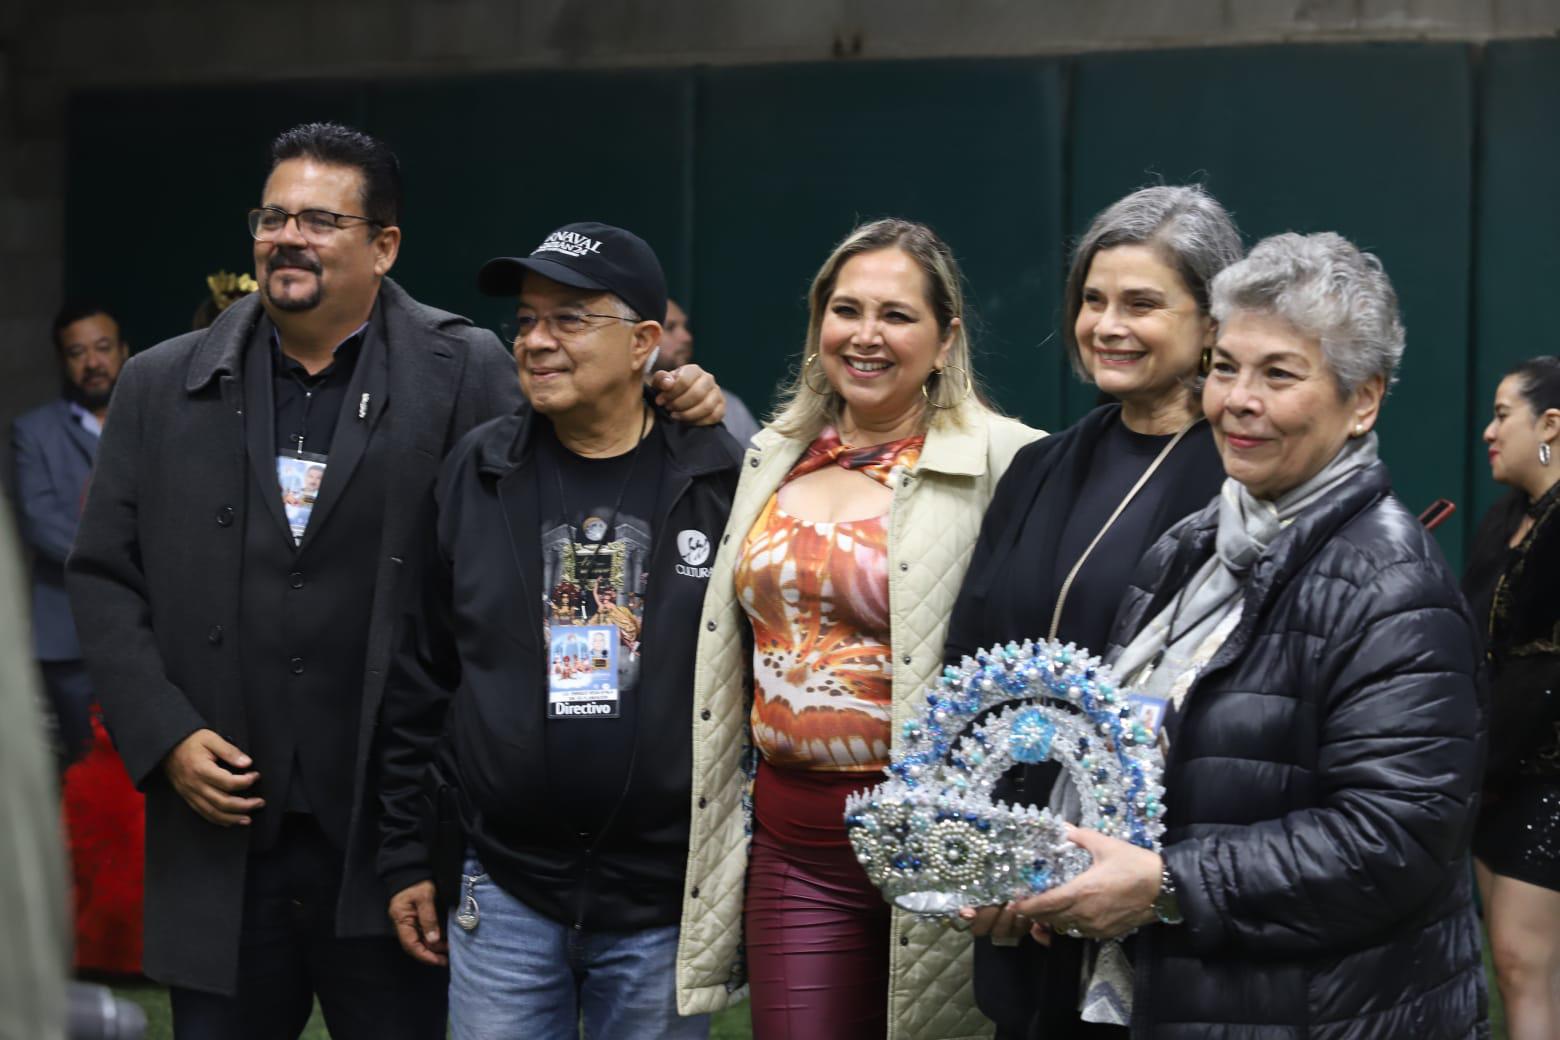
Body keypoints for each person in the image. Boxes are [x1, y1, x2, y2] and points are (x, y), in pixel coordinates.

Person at [66, 124, 725, 1040]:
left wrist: (673, 399)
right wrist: (165, 733)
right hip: (219, 823)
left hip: (384, 841)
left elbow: (578, 436)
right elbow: (101, 576)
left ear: (384, 247)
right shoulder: (158, 384)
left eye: (319, 220)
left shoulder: (466, 368)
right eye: (273, 216)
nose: (287, 237)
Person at [1013, 232, 1487, 1036]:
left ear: (1363, 400)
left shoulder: (1391, 581)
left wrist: (1165, 884)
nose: (1237, 399)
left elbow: (1389, 844)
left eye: (1279, 374)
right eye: (1226, 366)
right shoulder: (1196, 544)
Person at [678, 218, 1044, 1039]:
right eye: (846, 310)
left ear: (945, 338)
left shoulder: (1011, 460)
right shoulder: (773, 454)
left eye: (897, 315)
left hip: (948, 842)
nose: (866, 336)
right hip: (794, 839)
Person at [375, 221, 739, 1039]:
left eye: (569, 319)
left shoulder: (718, 478)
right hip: (505, 888)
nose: (536, 341)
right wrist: (403, 850)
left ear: (645, 342)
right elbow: (420, 673)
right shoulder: (477, 472)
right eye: (528, 320)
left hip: (662, 901)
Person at [944, 185, 1241, 1037]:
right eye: (1093, 300)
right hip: (1021, 883)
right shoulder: (1041, 467)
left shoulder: (1246, 483)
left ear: (1214, 322)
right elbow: (970, 665)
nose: (1107, 324)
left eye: (1143, 304)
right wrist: (982, 858)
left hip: (1160, 897)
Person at [1465, 355, 1560, 1039]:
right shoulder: (1505, 519)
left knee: (1524, 965)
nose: (1488, 433)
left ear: (1550, 423)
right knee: (1511, 965)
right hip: (1493, 777)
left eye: (1503, 415)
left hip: (1549, 778)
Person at [12, 302, 128, 767]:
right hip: (67, 635)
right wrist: (131, 560)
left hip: (152, 632)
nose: (93, 362)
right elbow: (42, 524)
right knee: (84, 771)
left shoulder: (152, 420)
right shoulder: (32, 433)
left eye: (103, 348)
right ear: (63, 362)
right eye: (77, 352)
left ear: (124, 350)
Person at [659, 298, 762, 445]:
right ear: (643, 337)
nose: (687, 337)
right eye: (670, 327)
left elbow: (757, 464)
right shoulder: (626, 405)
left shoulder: (730, 407)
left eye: (685, 326)